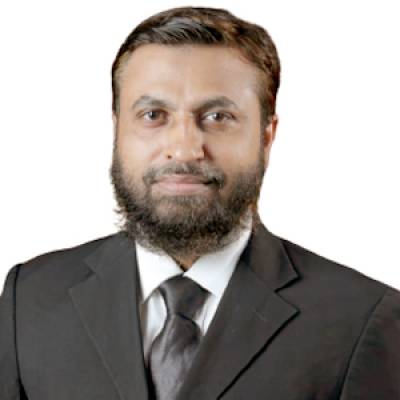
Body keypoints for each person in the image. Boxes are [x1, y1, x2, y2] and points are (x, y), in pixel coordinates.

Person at [1, 6, 399, 400]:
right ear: (117, 128)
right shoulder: (28, 300)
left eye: (218, 116)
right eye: (153, 114)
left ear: (266, 137)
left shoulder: (362, 321)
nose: (184, 149)